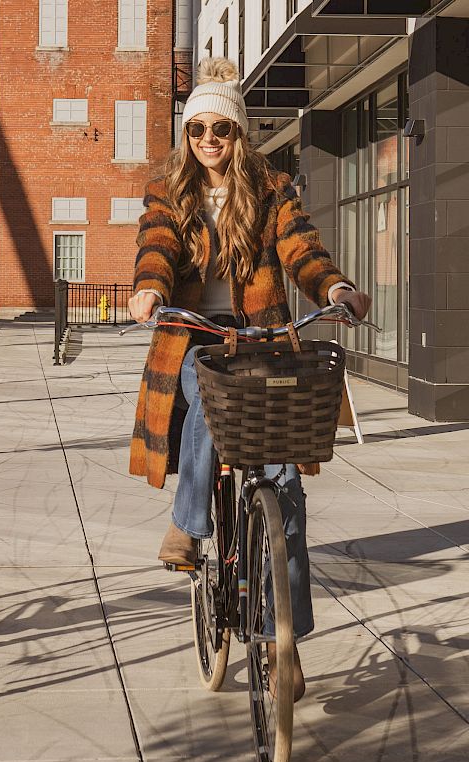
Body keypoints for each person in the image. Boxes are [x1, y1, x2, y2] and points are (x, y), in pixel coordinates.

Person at [127, 58, 371, 700]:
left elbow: (302, 250)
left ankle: (285, 641)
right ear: (187, 135)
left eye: (221, 129)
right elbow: (157, 248)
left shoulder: (270, 189)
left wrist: (335, 285)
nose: (208, 139)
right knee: (211, 404)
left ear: (239, 133)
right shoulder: (168, 191)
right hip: (191, 336)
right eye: (197, 128)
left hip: (260, 338)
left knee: (286, 491)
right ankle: (188, 521)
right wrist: (150, 289)